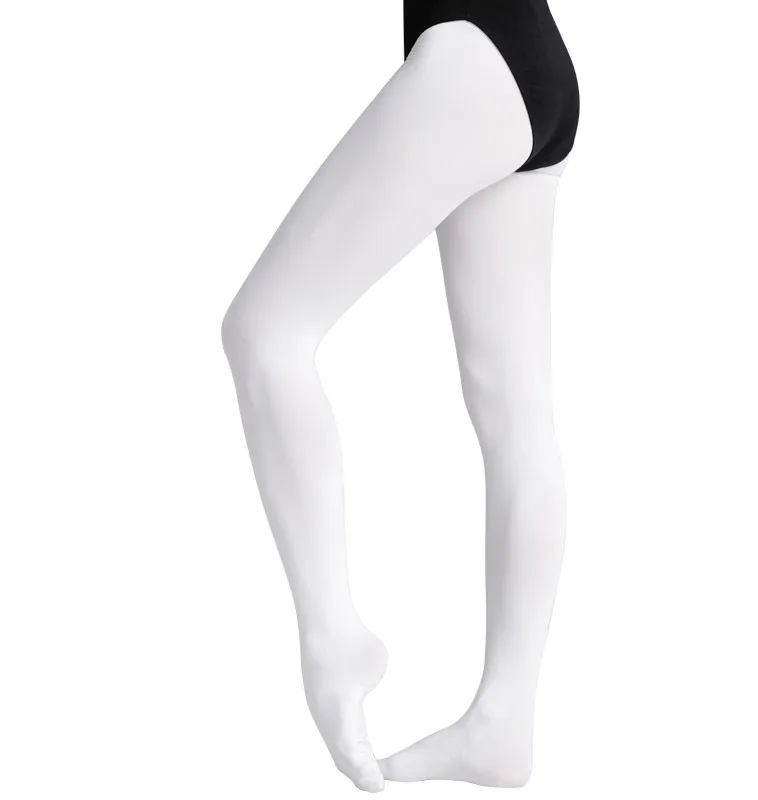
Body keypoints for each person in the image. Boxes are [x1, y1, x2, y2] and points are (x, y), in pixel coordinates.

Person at [222, 1, 579, 792]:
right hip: (527, 59)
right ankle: (504, 718)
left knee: (265, 333)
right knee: (517, 415)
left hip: (475, 55)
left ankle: (333, 635)